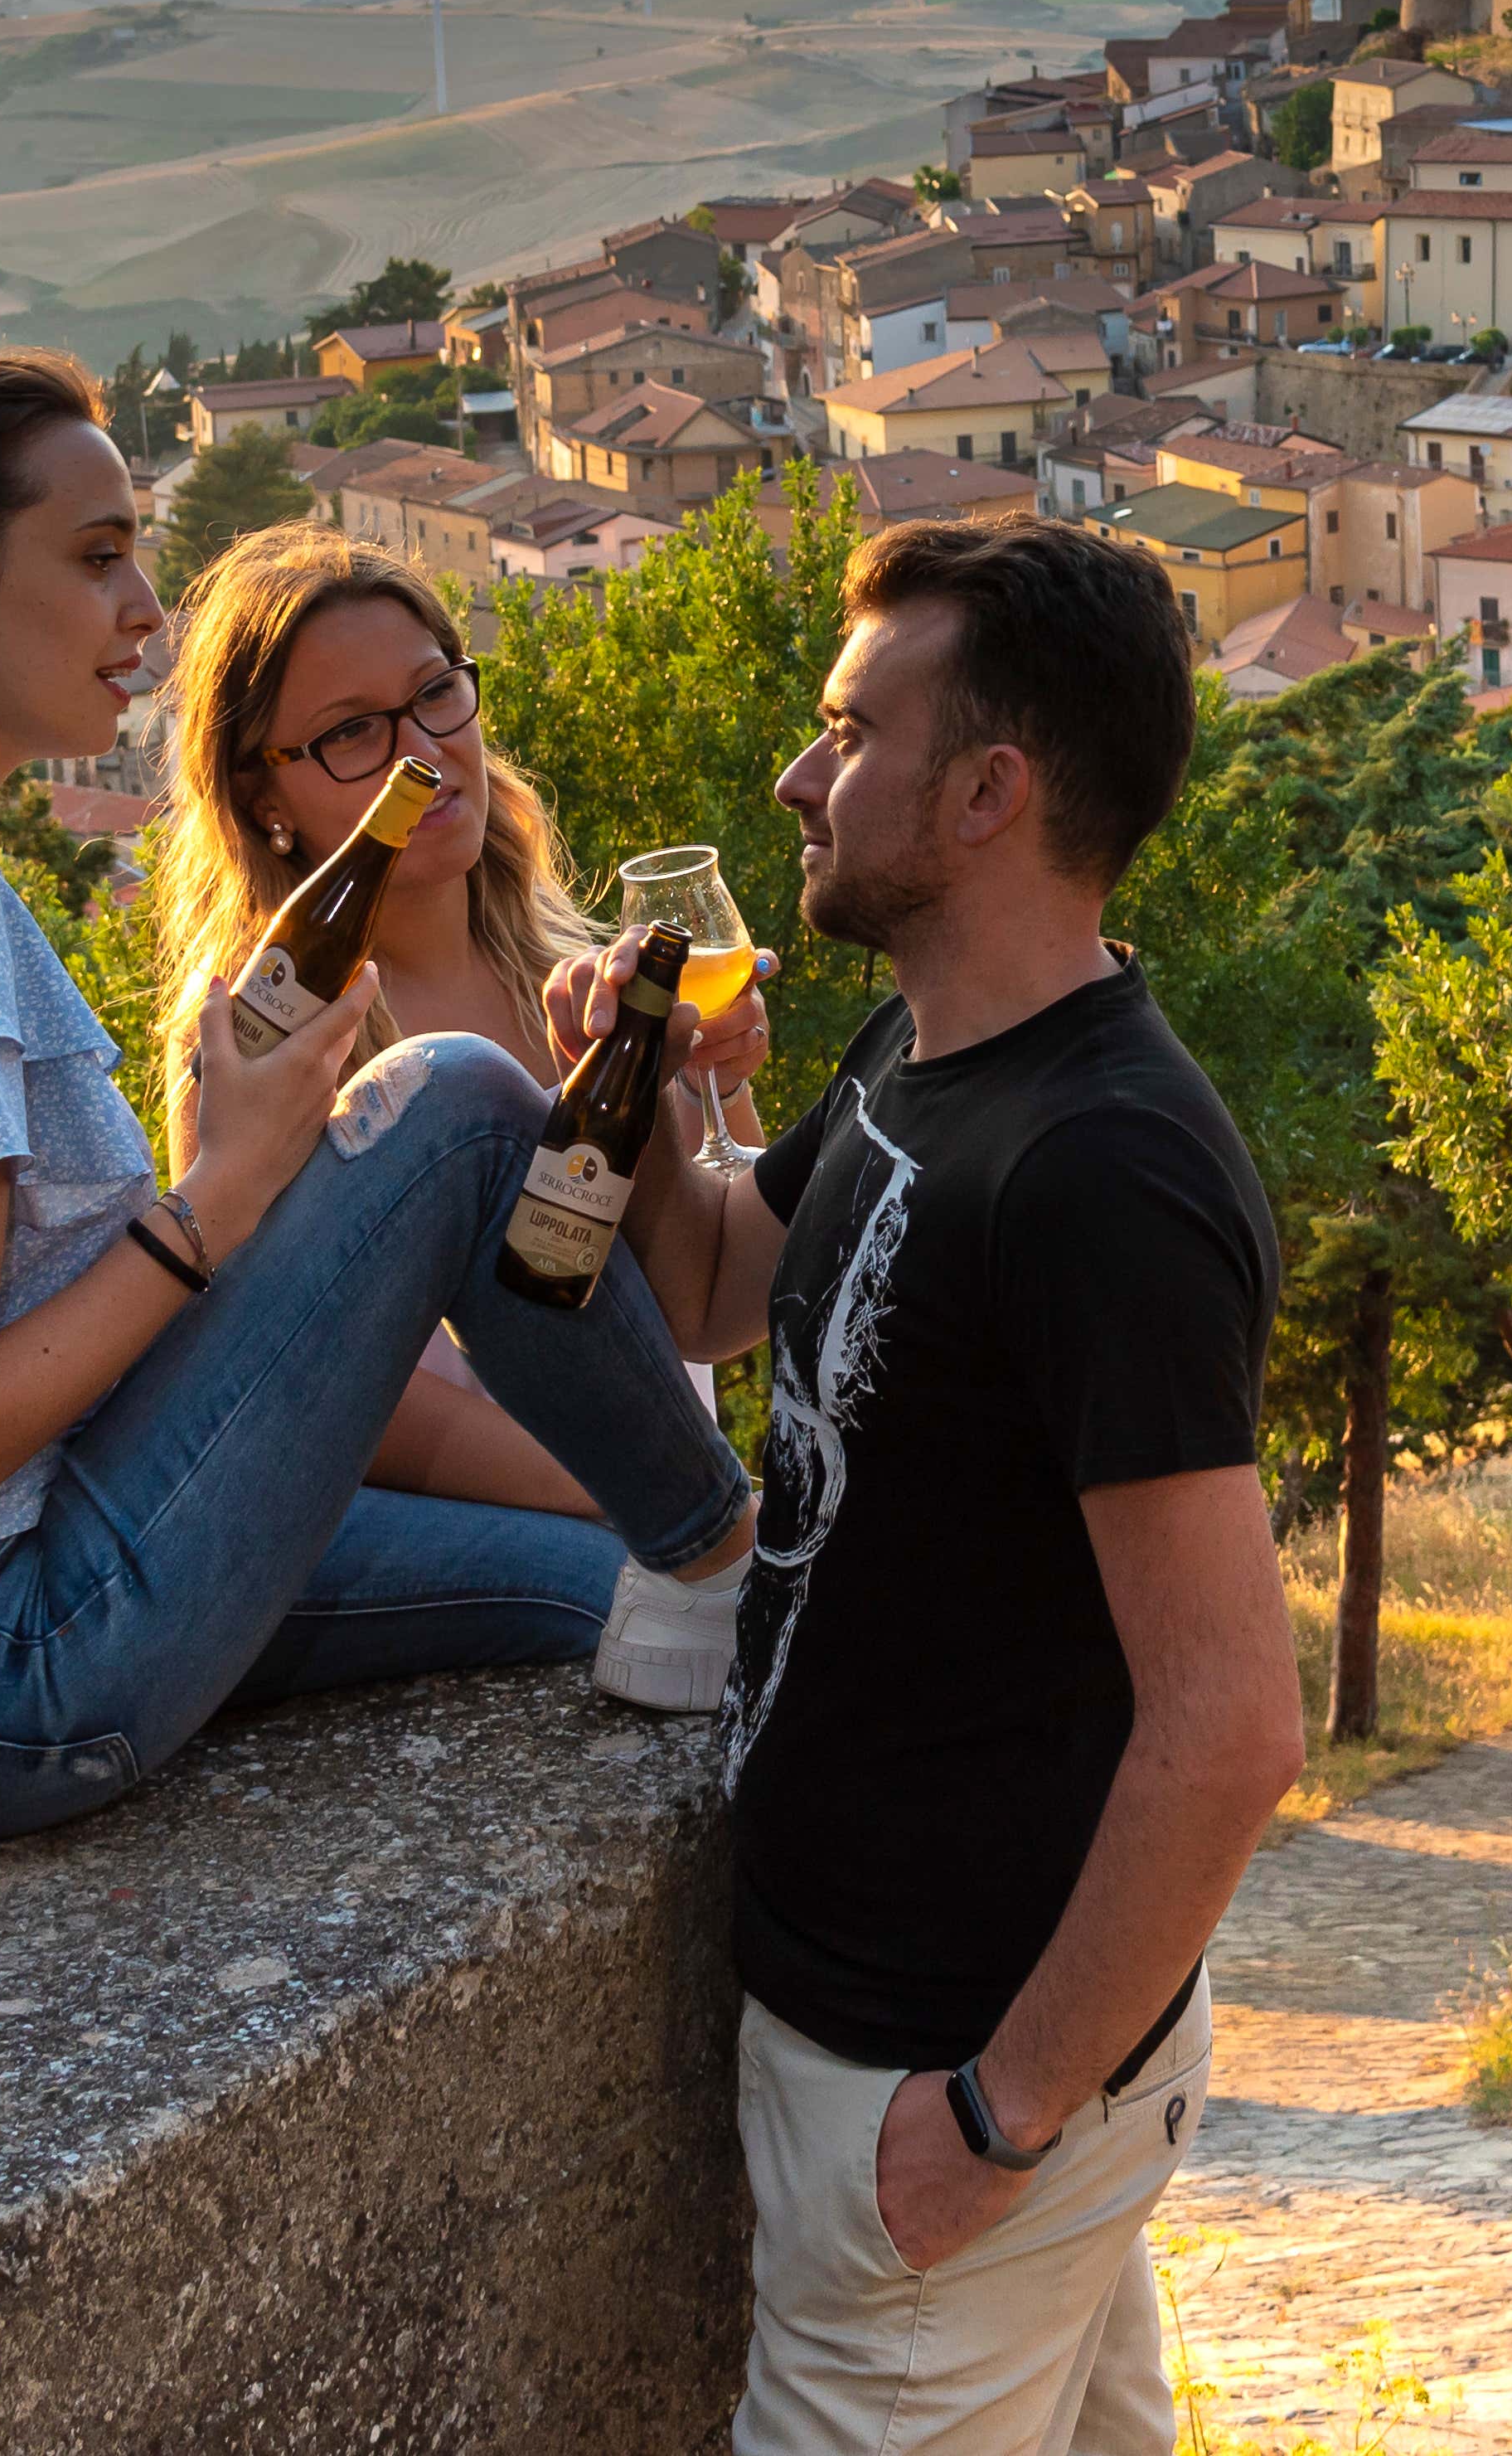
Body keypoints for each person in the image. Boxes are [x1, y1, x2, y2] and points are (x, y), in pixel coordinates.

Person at [0, 353, 756, 1844]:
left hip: (4, 1590)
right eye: (97, 557)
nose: (146, 609)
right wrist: (221, 1195)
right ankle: (740, 1546)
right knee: (457, 1102)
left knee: (622, 1602)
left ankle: (718, 1571)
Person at [560, 515, 1306, 2455]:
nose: (798, 775)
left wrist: (994, 2116)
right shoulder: (928, 1047)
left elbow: (1232, 1726)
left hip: (949, 2076)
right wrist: (628, 1094)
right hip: (915, 2049)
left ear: (988, 792)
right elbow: (719, 1284)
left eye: (848, 731)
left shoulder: (1103, 1173)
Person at [151, 521, 768, 1706]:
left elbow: (691, 1308)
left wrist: (717, 1085)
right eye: (352, 733)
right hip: (513, 1530)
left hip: (661, 1510)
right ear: (262, 794)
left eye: (435, 695)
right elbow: (315, 1389)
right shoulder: (261, 1037)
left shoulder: (576, 969)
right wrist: (643, 1493)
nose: (422, 754)